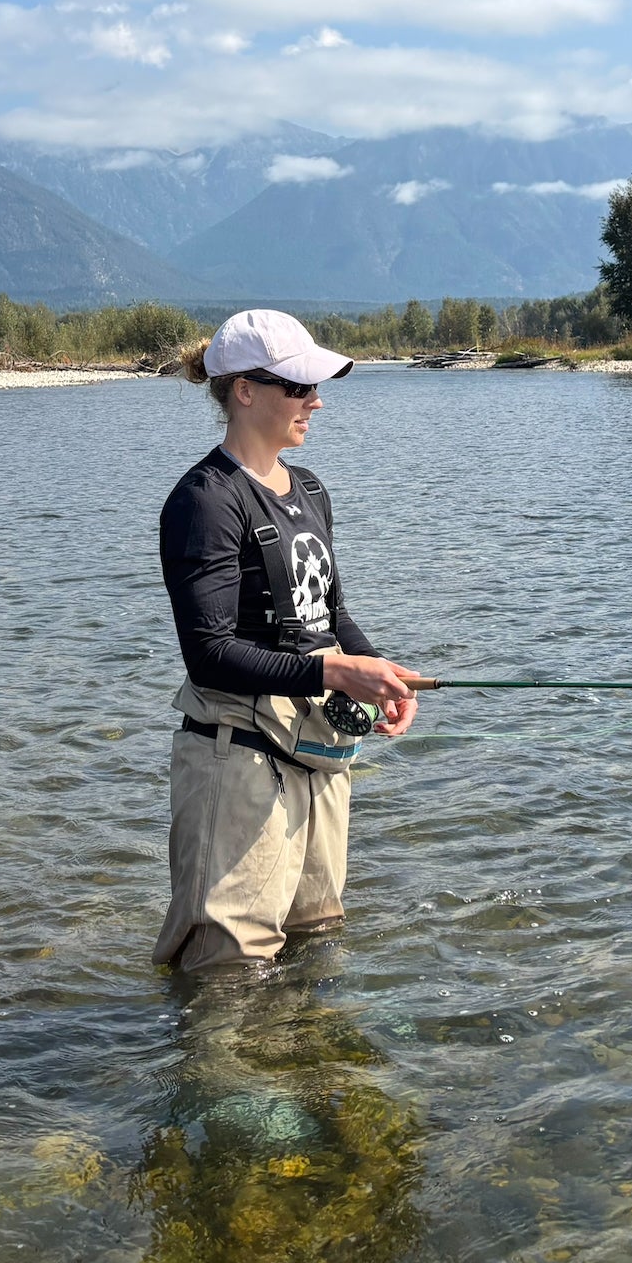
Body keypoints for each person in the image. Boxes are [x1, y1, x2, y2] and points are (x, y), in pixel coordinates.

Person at [153, 308, 420, 971]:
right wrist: (336, 676)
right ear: (246, 391)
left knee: (316, 943)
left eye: (314, 387)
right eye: (300, 389)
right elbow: (209, 656)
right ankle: (219, 1077)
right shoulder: (205, 501)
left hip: (318, 758)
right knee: (229, 971)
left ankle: (307, 1072)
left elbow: (329, 614)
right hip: (236, 762)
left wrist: (377, 670)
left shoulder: (310, 490)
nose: (316, 401)